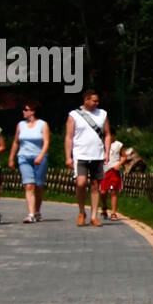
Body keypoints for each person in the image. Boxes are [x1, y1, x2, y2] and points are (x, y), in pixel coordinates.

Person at [65, 89, 111, 227]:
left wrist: (107, 152)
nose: (97, 103)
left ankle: (93, 216)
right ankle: (81, 211)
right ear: (86, 100)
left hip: (97, 154)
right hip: (80, 154)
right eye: (94, 100)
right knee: (81, 183)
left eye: (98, 101)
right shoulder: (74, 115)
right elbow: (69, 136)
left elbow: (107, 134)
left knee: (96, 185)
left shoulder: (102, 114)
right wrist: (68, 156)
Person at [10, 100, 50, 223]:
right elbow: (16, 142)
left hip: (39, 157)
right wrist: (11, 158)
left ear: (33, 111)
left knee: (38, 186)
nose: (23, 112)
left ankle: (37, 211)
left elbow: (46, 142)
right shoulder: (20, 125)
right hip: (24, 157)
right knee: (29, 185)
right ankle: (31, 213)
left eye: (26, 109)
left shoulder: (43, 124)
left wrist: (41, 156)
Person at [99, 137, 124, 221]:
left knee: (113, 192)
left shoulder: (118, 145)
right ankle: (104, 206)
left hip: (114, 170)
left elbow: (124, 156)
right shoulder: (101, 144)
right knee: (103, 192)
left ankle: (113, 212)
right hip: (104, 170)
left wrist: (119, 164)